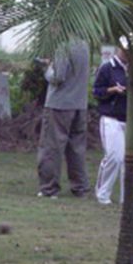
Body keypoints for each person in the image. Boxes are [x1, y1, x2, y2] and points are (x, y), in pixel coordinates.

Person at [92, 44, 133, 205]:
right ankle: (103, 194)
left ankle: (127, 196)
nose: (127, 53)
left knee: (130, 160)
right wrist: (112, 90)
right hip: (112, 118)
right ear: (119, 50)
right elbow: (97, 92)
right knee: (114, 157)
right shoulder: (108, 68)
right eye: (125, 50)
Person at [36, 40, 90, 199]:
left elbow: (58, 76)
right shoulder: (84, 45)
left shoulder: (63, 46)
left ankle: (49, 188)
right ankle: (80, 187)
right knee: (77, 149)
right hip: (80, 104)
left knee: (51, 148)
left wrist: (47, 68)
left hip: (59, 104)